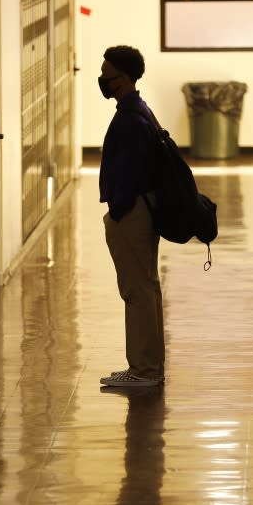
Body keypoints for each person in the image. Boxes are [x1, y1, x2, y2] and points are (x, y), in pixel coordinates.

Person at [97, 45, 165, 387]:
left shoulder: (131, 117)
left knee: (137, 291)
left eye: (107, 75)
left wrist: (118, 211)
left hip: (133, 214)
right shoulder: (137, 110)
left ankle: (144, 371)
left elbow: (131, 172)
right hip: (139, 209)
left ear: (123, 79)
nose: (103, 80)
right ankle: (145, 366)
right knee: (145, 290)